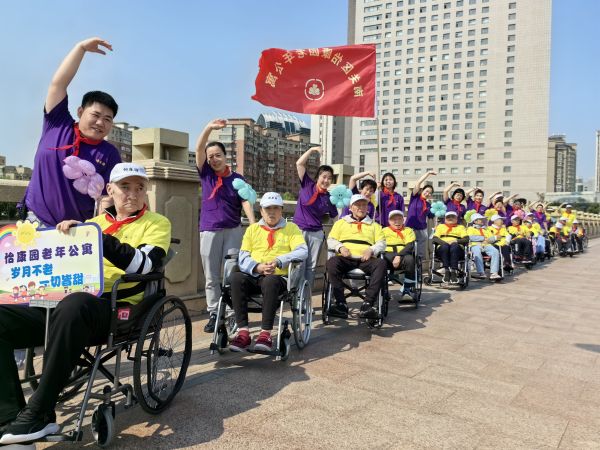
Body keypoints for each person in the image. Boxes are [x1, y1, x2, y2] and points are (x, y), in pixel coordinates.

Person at [0, 163, 171, 445]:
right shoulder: (93, 223)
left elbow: (145, 264)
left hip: (116, 305)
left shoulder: (157, 223)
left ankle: (39, 414)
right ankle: (9, 418)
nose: (133, 193)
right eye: (125, 187)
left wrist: (100, 240)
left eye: (140, 187)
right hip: (67, 302)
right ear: (110, 190)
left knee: (74, 305)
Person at [21, 37, 122, 227]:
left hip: (78, 230)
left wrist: (95, 229)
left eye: (108, 119)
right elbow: (58, 84)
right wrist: (80, 48)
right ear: (80, 112)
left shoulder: (110, 153)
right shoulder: (56, 123)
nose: (100, 122)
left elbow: (108, 197)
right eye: (96, 115)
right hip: (35, 222)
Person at [195, 119, 256, 333]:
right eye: (210, 156)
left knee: (231, 275)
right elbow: (198, 149)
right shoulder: (206, 174)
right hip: (209, 230)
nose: (214, 159)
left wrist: (253, 224)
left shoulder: (237, 179)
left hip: (233, 231)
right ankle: (214, 313)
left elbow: (245, 201)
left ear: (225, 156)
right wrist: (208, 128)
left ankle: (230, 314)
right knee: (211, 276)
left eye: (217, 155)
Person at [228, 192, 308, 352]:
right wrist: (257, 267)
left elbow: (302, 251)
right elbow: (243, 256)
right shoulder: (252, 229)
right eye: (268, 209)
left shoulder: (291, 228)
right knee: (235, 278)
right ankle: (243, 332)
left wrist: (279, 260)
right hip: (254, 274)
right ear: (261, 211)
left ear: (281, 210)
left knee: (270, 281)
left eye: (275, 208)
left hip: (278, 276)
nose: (272, 212)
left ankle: (265, 334)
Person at [326, 194, 387, 320]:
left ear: (367, 208)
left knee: (381, 264)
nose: (361, 208)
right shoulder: (341, 223)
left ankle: (367, 304)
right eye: (358, 205)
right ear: (351, 208)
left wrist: (371, 249)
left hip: (366, 259)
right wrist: (340, 247)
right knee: (332, 262)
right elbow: (331, 239)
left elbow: (382, 243)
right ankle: (341, 303)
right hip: (346, 257)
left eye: (364, 205)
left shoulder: (374, 225)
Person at [293, 146, 338, 292]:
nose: (326, 180)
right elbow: (299, 163)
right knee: (298, 264)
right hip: (298, 231)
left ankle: (306, 298)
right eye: (324, 176)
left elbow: (335, 217)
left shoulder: (329, 198)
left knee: (311, 267)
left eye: (329, 178)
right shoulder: (307, 184)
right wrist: (312, 150)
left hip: (316, 234)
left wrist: (338, 235)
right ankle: (295, 295)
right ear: (318, 177)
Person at [382, 210, 417, 296]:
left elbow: (410, 246)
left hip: (403, 254)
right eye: (394, 219)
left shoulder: (408, 230)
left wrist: (398, 256)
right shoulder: (383, 230)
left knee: (410, 259)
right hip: (387, 254)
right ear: (389, 221)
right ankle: (383, 289)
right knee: (380, 261)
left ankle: (407, 289)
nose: (397, 222)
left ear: (403, 220)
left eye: (399, 219)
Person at [406, 171, 436, 260]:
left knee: (420, 253)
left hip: (422, 229)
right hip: (410, 227)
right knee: (409, 248)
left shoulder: (429, 205)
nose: (428, 193)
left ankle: (419, 266)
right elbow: (418, 183)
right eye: (427, 191)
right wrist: (428, 174)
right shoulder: (415, 197)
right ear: (422, 190)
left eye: (430, 193)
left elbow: (432, 217)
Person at [432, 211, 469, 283]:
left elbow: (466, 239)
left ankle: (453, 271)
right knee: (445, 247)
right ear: (445, 219)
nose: (450, 218)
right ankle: (447, 271)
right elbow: (435, 238)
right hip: (442, 246)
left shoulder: (461, 227)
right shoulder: (440, 226)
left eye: (453, 217)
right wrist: (445, 243)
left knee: (454, 246)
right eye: (448, 217)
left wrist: (456, 241)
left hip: (457, 247)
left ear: (456, 219)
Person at [467, 213, 502, 280]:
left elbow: (491, 238)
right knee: (477, 253)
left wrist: (495, 238)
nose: (483, 220)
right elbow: (471, 237)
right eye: (481, 219)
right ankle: (481, 272)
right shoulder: (470, 228)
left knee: (495, 251)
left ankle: (494, 273)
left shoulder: (486, 229)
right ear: (475, 221)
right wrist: (483, 238)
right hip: (475, 244)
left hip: (486, 244)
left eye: (483, 219)